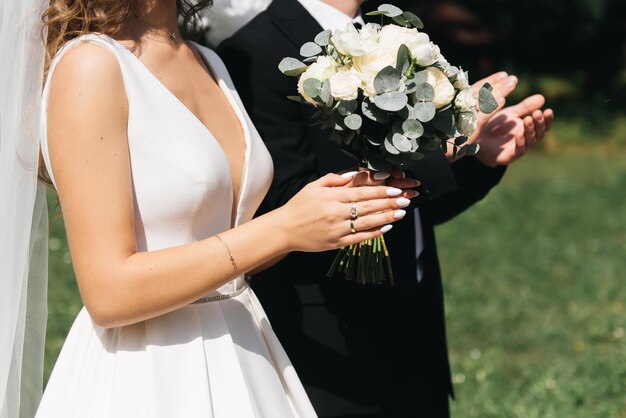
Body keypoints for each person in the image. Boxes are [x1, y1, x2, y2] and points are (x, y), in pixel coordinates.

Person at [30, 0, 419, 416]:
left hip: (243, 347)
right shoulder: (91, 66)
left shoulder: (207, 59)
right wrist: (284, 228)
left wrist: (334, 208)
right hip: (149, 371)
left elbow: (227, 241)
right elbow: (108, 294)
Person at [217, 0, 554, 416]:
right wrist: (439, 151)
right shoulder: (254, 51)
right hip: (330, 342)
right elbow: (282, 200)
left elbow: (410, 209)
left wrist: (480, 160)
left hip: (416, 331)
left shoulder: (400, 39)